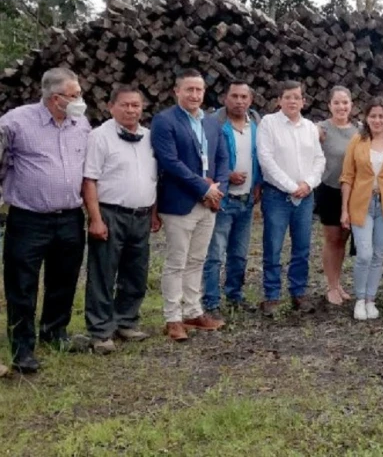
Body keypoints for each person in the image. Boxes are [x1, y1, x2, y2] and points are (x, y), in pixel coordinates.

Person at [0, 68, 90, 373]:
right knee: (22, 284)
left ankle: (55, 332)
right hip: (29, 219)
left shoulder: (81, 123)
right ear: (56, 98)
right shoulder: (16, 122)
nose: (80, 100)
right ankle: (22, 347)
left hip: (69, 217)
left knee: (63, 280)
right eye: (75, 95)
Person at [152, 68, 229, 341]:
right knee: (177, 261)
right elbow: (170, 163)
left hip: (208, 203)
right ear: (177, 91)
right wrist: (204, 187)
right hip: (179, 201)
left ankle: (193, 312)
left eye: (199, 90)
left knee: (197, 259)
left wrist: (218, 188)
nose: (194, 94)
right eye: (189, 89)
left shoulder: (211, 123)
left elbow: (222, 158)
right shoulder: (165, 121)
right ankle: (172, 317)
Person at [82, 86, 159, 354]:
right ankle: (101, 330)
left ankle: (126, 320)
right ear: (111, 106)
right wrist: (95, 219)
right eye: (125, 105)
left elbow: (153, 178)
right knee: (103, 273)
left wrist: (153, 211)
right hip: (110, 213)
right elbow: (89, 179)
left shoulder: (149, 137)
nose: (131, 110)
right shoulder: (99, 137)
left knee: (136, 272)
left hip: (141, 214)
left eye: (136, 105)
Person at [256, 80, 325, 316]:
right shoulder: (268, 123)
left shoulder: (309, 127)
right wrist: (290, 186)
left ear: (303, 101)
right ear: (279, 101)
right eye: (288, 97)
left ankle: (299, 292)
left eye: (297, 97)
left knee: (302, 248)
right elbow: (266, 159)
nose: (293, 101)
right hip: (277, 196)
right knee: (273, 246)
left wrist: (307, 184)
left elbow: (319, 159)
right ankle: (272, 296)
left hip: (305, 196)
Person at [340, 98, 383, 320]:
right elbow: (347, 177)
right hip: (361, 204)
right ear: (366, 118)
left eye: (382, 116)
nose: (377, 120)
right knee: (364, 254)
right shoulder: (357, 141)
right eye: (373, 116)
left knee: (379, 254)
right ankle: (359, 299)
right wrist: (344, 209)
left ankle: (371, 299)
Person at [201, 81, 262, 318]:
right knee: (215, 254)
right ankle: (211, 302)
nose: (239, 101)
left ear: (250, 100)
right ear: (225, 98)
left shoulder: (256, 123)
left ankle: (235, 295)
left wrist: (257, 183)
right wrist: (227, 175)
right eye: (234, 96)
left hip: (246, 200)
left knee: (239, 253)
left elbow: (260, 156)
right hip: (222, 199)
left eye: (244, 97)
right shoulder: (213, 123)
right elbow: (204, 157)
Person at [317, 86, 359, 305]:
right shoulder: (320, 129)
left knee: (343, 239)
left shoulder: (360, 130)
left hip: (354, 192)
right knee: (332, 239)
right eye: (337, 103)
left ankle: (338, 281)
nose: (341, 107)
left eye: (345, 103)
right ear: (329, 105)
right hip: (330, 189)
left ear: (351, 105)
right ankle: (331, 285)